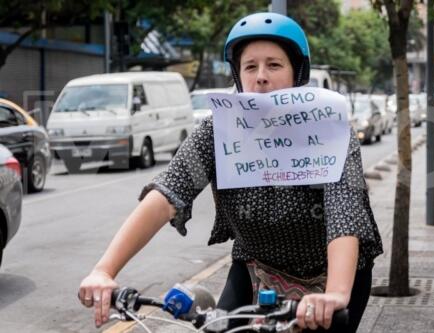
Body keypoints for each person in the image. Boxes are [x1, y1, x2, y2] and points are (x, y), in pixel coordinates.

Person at [79, 12, 383, 332]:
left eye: (274, 65)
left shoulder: (330, 131)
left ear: (297, 73)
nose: (261, 76)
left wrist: (335, 293)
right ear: (238, 75)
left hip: (334, 274)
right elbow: (168, 192)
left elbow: (344, 213)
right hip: (256, 265)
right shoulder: (217, 130)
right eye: (250, 66)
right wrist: (104, 269)